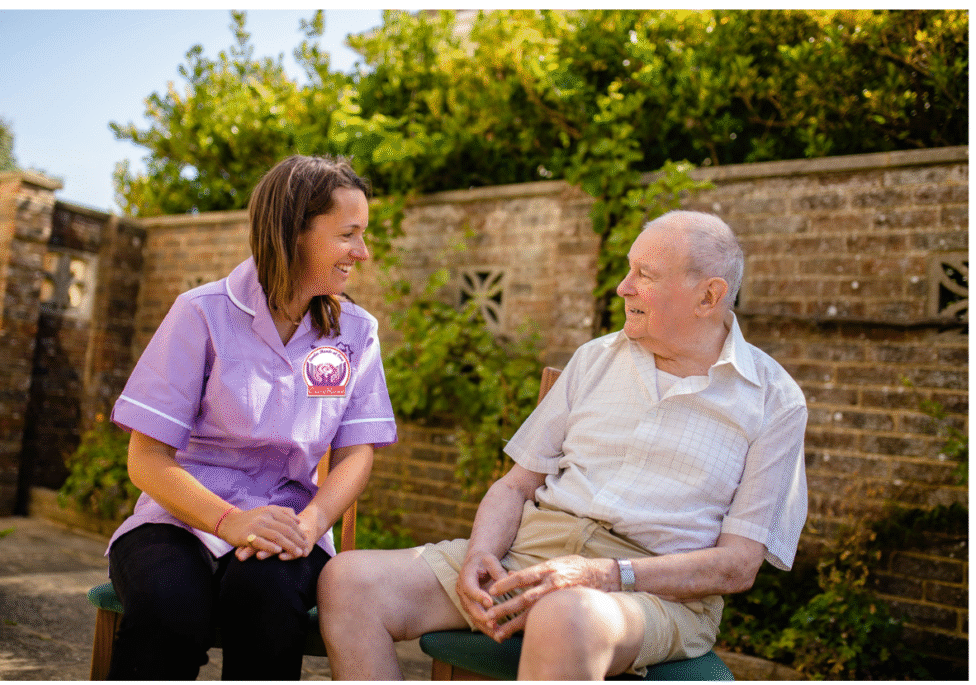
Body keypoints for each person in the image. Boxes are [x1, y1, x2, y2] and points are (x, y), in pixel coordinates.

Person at [317, 210, 808, 680]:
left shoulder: (774, 401)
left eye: (645, 274)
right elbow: (515, 487)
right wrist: (481, 553)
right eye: (629, 269)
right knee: (349, 582)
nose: (624, 286)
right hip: (528, 554)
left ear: (708, 296)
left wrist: (603, 575)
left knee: (566, 615)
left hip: (650, 592)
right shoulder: (595, 359)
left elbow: (737, 566)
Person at [104, 155, 397, 680]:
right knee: (170, 608)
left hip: (289, 527)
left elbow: (357, 453)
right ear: (293, 233)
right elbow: (146, 459)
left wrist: (310, 524)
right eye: (348, 235)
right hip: (179, 520)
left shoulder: (357, 332)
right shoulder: (201, 312)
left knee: (266, 604)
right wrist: (230, 522)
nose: (362, 251)